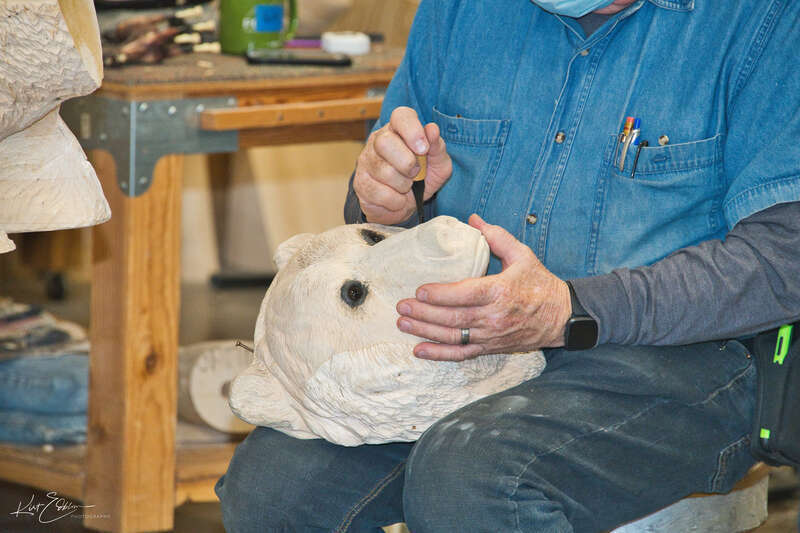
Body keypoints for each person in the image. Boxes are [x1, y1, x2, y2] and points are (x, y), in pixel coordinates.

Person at [216, 1, 800, 531]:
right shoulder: (459, 9)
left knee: (470, 477)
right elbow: (396, 195)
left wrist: (568, 310)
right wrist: (387, 200)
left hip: (681, 358)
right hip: (465, 350)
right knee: (272, 487)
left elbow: (783, 260)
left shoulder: (765, 18)